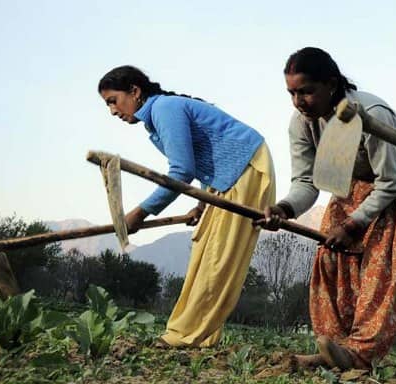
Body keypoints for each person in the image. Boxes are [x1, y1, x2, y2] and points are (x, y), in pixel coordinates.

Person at [261, 47, 396, 370]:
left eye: (307, 92)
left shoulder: (371, 114)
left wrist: (355, 224)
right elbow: (307, 181)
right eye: (292, 93)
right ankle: (336, 347)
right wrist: (284, 208)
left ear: (331, 84)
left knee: (382, 267)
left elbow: (389, 183)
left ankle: (360, 354)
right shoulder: (302, 123)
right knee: (330, 255)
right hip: (352, 182)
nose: (299, 101)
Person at [97, 66, 275, 347]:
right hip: (225, 176)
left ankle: (184, 335)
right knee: (205, 249)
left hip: (245, 167)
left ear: (134, 91)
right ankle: (199, 334)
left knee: (218, 257)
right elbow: (208, 159)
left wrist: (141, 211)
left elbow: (182, 171)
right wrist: (202, 205)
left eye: (113, 100)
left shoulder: (165, 109)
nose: (112, 111)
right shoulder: (157, 117)